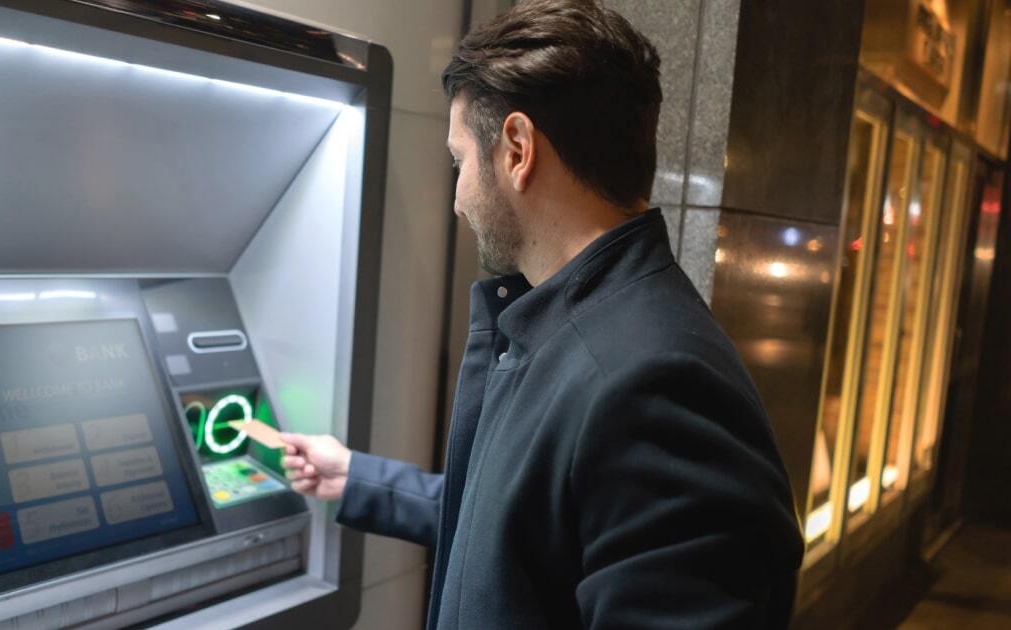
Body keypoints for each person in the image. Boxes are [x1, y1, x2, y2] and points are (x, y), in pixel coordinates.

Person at [280, 1, 805, 627]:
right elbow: (526, 523)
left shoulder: (652, 383)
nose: (457, 200)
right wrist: (360, 480)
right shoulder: (582, 326)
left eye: (459, 162)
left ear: (518, 149)